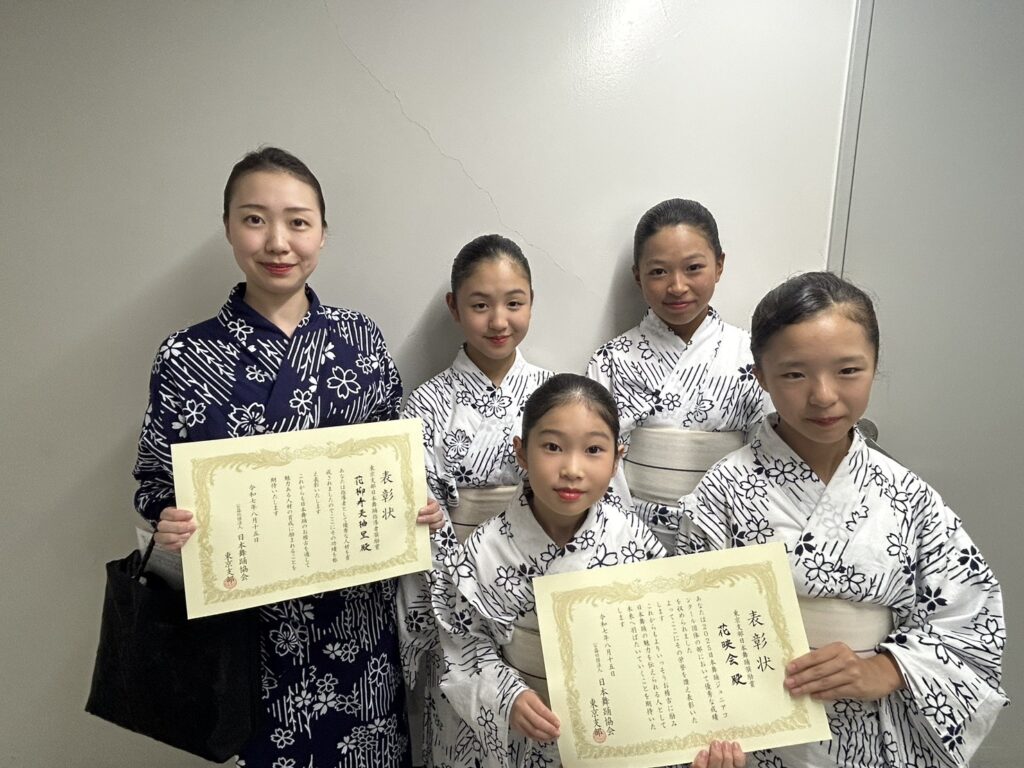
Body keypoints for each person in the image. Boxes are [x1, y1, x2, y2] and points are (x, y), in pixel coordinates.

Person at [132, 147, 441, 767]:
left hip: (355, 626)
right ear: (228, 228)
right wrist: (167, 519)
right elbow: (152, 481)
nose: (278, 242)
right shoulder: (186, 357)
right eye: (255, 219)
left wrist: (415, 504)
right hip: (247, 637)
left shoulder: (360, 339)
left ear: (322, 233)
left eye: (298, 222)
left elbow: (392, 462)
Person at [676, 272, 1007, 767]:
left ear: (875, 365)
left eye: (848, 370)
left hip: (873, 734)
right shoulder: (720, 493)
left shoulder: (910, 496)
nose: (823, 395)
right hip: (755, 735)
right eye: (794, 374)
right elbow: (685, 633)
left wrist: (887, 668)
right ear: (760, 376)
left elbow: (973, 621)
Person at [434, 374, 745, 768]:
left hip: (616, 728)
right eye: (552, 447)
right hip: (527, 733)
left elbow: (667, 644)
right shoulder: (484, 549)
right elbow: (462, 643)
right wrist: (508, 698)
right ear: (522, 453)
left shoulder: (632, 539)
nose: (572, 469)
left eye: (594, 450)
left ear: (617, 459)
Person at [587, 199, 768, 550]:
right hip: (630, 538)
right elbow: (593, 457)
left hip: (726, 534)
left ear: (719, 265)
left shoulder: (753, 356)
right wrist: (630, 540)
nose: (677, 286)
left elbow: (766, 456)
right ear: (637, 275)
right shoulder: (610, 360)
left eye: (693, 268)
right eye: (658, 272)